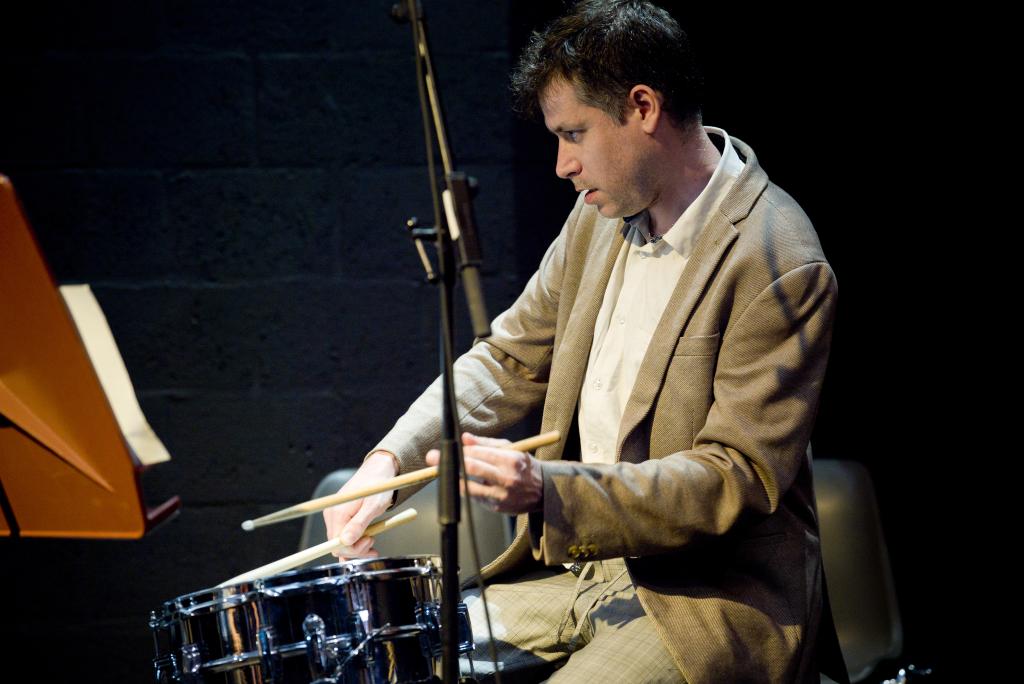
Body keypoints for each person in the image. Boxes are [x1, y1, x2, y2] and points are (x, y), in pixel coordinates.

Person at [325, 2, 847, 682]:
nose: (563, 165)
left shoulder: (777, 256)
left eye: (575, 133)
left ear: (643, 107)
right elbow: (511, 355)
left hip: (708, 600)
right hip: (585, 574)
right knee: (385, 656)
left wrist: (551, 491)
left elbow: (734, 476)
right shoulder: (598, 220)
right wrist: (391, 458)